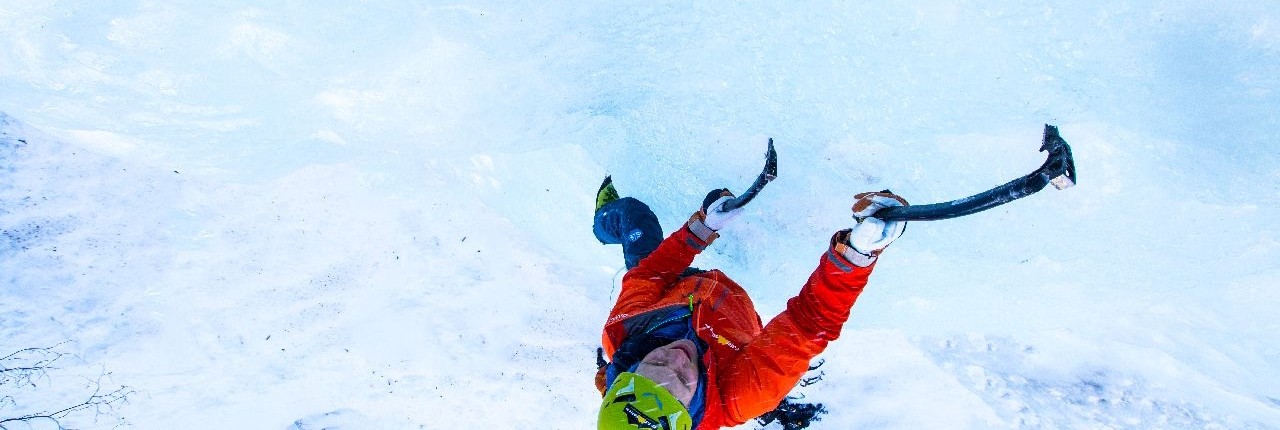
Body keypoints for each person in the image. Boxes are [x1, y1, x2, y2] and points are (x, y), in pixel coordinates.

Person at [592, 175, 909, 430]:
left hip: (676, 285)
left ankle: (602, 222)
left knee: (635, 218)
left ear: (631, 370)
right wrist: (856, 254)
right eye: (681, 381)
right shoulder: (740, 395)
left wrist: (704, 227)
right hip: (733, 312)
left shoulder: (624, 331)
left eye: (655, 364)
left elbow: (649, 276)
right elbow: (809, 323)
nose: (675, 359)